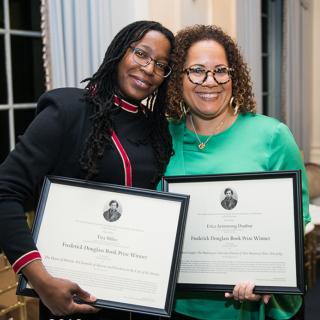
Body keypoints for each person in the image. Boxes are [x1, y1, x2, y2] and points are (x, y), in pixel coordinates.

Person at [0, 20, 174, 320]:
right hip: (70, 297)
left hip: (139, 298)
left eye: (161, 64)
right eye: (141, 54)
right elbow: (5, 192)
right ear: (119, 52)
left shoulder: (157, 128)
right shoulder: (68, 109)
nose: (149, 69)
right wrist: (41, 281)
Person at [164, 24, 310, 320]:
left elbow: (297, 219)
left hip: (248, 306)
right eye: (196, 70)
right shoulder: (161, 136)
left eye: (221, 70)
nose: (210, 82)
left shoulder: (272, 136)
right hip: (175, 305)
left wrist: (267, 274)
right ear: (179, 77)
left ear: (233, 76)